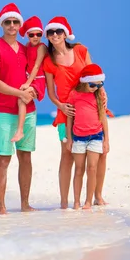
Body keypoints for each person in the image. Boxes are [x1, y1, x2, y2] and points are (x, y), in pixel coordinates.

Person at [42, 16, 109, 209]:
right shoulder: (49, 61)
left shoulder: (80, 50)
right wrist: (60, 106)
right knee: (67, 154)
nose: (55, 35)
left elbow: (93, 73)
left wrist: (103, 93)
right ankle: (64, 202)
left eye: (58, 31)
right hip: (68, 111)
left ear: (65, 33)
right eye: (51, 32)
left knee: (101, 153)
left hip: (91, 106)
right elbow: (50, 92)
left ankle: (97, 195)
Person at [0, 3, 45, 214]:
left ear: (20, 24)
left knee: (26, 156)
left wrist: (34, 91)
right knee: (3, 158)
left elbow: (38, 72)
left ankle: (25, 204)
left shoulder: (25, 49)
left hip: (28, 111)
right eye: (7, 22)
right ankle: (1, 208)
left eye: (15, 22)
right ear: (2, 24)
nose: (12, 25)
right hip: (4, 111)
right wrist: (20, 93)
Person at [65, 64, 110, 210]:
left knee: (92, 168)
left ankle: (89, 201)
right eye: (92, 85)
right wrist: (69, 139)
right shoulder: (74, 94)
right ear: (84, 82)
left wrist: (106, 140)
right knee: (79, 170)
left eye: (99, 84)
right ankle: (76, 201)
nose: (96, 87)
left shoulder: (98, 94)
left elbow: (103, 118)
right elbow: (69, 118)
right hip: (78, 137)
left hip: (96, 136)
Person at [11, 16, 47, 142]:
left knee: (22, 99)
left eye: (38, 34)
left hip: (38, 79)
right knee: (17, 99)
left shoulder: (42, 47)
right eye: (32, 35)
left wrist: (27, 83)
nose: (35, 37)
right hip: (28, 78)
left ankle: (20, 130)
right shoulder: (27, 45)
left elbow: (36, 66)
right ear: (27, 35)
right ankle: (10, 126)